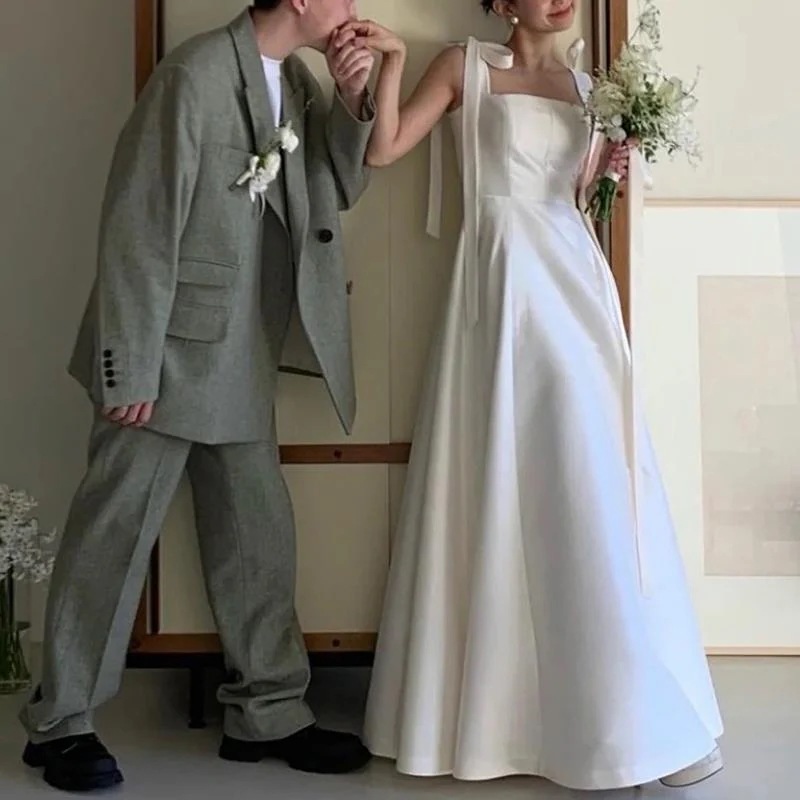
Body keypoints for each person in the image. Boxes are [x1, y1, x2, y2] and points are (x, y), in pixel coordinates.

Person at [344, 0, 724, 791]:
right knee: (521, 477)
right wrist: (391, 65)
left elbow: (576, 199)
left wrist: (608, 170)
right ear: (501, 3)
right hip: (501, 283)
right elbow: (384, 149)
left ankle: (631, 714)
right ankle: (542, 723)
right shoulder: (463, 65)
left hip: (574, 283)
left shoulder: (592, 88)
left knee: (591, 474)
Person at [19, 1, 376, 792]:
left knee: (258, 535)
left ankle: (267, 714)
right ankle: (61, 725)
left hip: (241, 344)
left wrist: (354, 98)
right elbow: (139, 225)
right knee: (113, 535)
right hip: (165, 352)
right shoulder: (194, 74)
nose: (354, 6)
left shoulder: (302, 83)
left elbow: (336, 189)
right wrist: (128, 367)